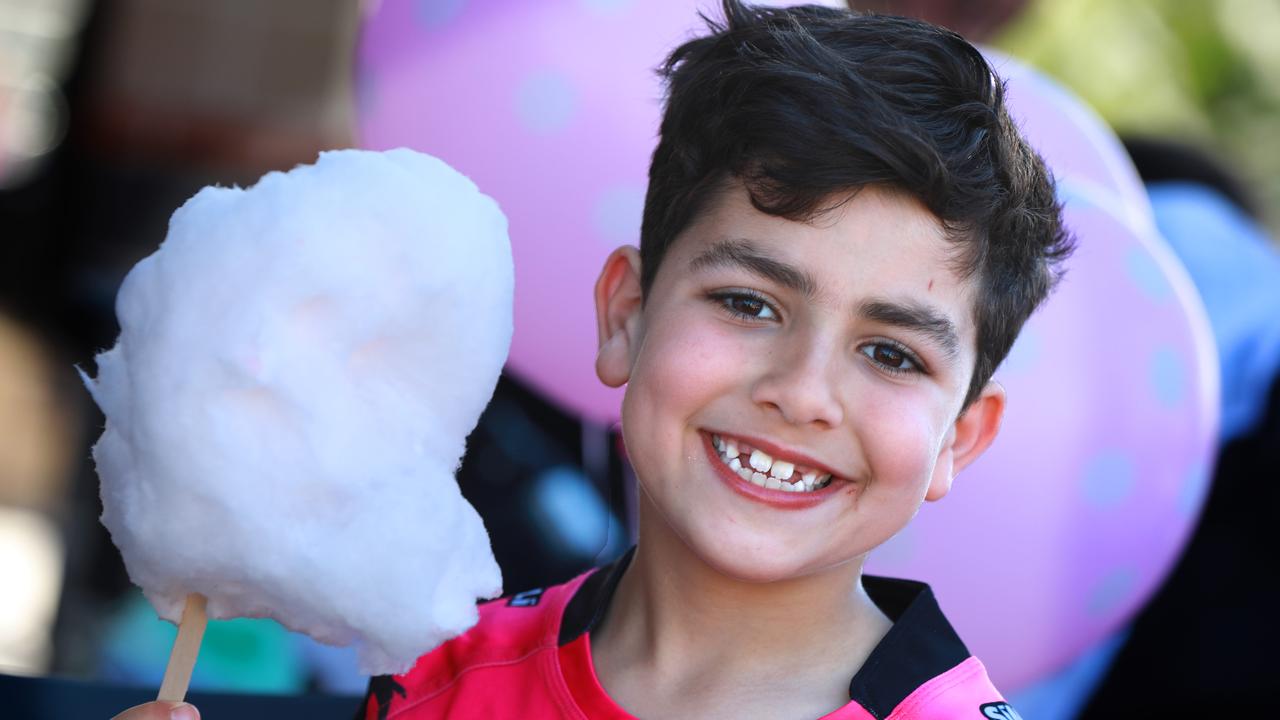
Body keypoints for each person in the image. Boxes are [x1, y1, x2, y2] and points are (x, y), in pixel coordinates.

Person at [116, 2, 1069, 718]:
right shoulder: (437, 681)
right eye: (748, 303)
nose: (801, 392)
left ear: (962, 437)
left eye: (891, 354)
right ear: (624, 315)